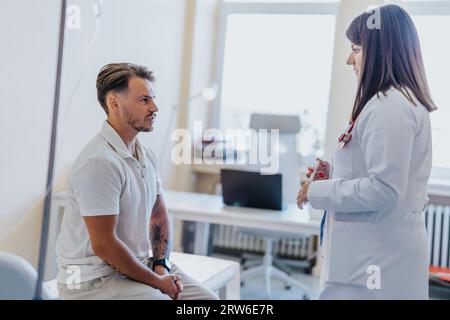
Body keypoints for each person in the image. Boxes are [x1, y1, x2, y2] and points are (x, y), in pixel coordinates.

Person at [297, 4, 436, 299]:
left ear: (380, 51)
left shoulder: (390, 107)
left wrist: (317, 191)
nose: (350, 60)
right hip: (369, 261)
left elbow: (384, 189)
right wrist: (332, 175)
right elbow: (376, 173)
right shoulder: (388, 103)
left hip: (373, 266)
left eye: (356, 49)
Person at [55, 63, 218, 300]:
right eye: (144, 100)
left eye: (152, 99)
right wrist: (157, 282)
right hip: (93, 282)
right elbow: (104, 245)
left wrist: (161, 266)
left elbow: (158, 215)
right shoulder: (99, 161)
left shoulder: (146, 155)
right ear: (114, 104)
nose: (155, 108)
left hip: (138, 266)